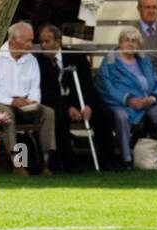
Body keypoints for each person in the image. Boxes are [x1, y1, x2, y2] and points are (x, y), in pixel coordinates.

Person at [36, 22, 113, 172]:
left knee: (106, 115)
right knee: (58, 118)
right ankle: (70, 164)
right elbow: (45, 93)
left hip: (82, 102)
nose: (43, 46)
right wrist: (68, 108)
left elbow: (88, 85)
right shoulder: (40, 63)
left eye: (47, 41)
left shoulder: (76, 56)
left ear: (58, 41)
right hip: (59, 105)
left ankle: (107, 160)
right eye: (41, 42)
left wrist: (88, 106)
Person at [0, 22, 56, 173]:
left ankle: (47, 162)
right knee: (5, 114)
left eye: (31, 40)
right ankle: (17, 164)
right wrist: (12, 101)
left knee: (48, 112)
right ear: (13, 41)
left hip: (24, 105)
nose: (31, 45)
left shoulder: (32, 60)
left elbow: (35, 89)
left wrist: (33, 101)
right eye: (27, 41)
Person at [96, 28, 157, 169]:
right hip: (121, 102)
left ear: (138, 45)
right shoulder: (110, 58)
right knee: (122, 117)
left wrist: (152, 98)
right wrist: (128, 99)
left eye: (134, 41)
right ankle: (126, 158)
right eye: (127, 40)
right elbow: (105, 86)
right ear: (120, 43)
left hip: (146, 102)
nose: (130, 44)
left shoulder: (143, 59)